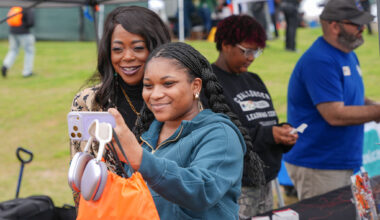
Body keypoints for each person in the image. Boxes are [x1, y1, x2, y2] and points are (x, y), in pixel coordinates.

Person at [108, 42, 265, 219]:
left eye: (168, 84)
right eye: (148, 86)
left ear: (196, 86)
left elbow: (201, 190)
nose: (155, 94)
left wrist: (141, 159)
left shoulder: (220, 135)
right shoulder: (148, 136)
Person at [69, 6, 171, 208]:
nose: (127, 57)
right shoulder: (89, 102)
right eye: (117, 49)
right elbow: (81, 176)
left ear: (157, 48)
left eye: (138, 48)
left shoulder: (176, 99)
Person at [284, 0, 380, 201]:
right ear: (335, 25)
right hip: (319, 165)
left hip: (340, 161)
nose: (363, 28)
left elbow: (349, 96)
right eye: (356, 24)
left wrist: (373, 106)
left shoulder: (347, 54)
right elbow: (334, 114)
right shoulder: (320, 60)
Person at [210, 15, 298, 219]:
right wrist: (270, 135)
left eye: (256, 51)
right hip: (236, 188)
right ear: (225, 45)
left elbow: (266, 123)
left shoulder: (254, 79)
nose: (251, 57)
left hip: (266, 183)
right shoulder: (210, 85)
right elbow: (223, 138)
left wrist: (283, 133)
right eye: (246, 51)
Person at [2, 6, 35, 78]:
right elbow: (31, 22)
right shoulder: (28, 7)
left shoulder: (15, 5)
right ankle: (27, 72)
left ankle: (5, 65)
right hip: (24, 33)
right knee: (29, 51)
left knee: (13, 50)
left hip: (13, 31)